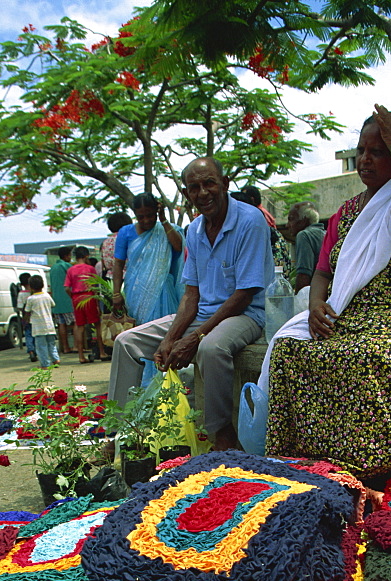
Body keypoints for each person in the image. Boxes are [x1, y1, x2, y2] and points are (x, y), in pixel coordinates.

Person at [265, 105, 391, 478]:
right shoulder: (347, 211)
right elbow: (323, 271)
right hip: (356, 316)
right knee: (289, 349)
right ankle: (303, 458)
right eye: (361, 150)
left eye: (378, 150)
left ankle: (363, 466)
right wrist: (317, 303)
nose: (365, 159)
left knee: (363, 355)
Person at [109, 156, 274, 450]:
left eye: (209, 183)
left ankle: (220, 435)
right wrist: (171, 337)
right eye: (194, 187)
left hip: (246, 314)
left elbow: (244, 294)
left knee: (211, 348)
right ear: (186, 195)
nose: (203, 192)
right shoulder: (195, 230)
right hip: (205, 315)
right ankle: (117, 435)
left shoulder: (250, 221)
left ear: (224, 184)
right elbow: (191, 294)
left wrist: (195, 338)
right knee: (126, 342)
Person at [111, 193, 184, 326]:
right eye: (141, 217)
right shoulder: (125, 232)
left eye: (150, 215)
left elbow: (179, 246)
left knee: (167, 330)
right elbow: (118, 264)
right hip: (136, 291)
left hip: (163, 290)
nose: (146, 220)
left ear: (157, 211)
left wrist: (163, 220)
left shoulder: (165, 229)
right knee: (140, 330)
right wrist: (116, 293)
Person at [64, 245, 106, 364]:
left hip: (76, 298)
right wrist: (97, 303)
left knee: (79, 326)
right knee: (97, 324)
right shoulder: (90, 268)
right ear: (86, 256)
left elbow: (66, 287)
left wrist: (73, 296)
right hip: (89, 296)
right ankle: (102, 352)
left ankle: (81, 355)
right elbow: (95, 287)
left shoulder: (70, 270)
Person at [286, 202, 325, 292]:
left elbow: (304, 275)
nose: (287, 225)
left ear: (303, 221)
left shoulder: (304, 235)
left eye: (291, 219)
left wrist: (298, 299)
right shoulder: (325, 234)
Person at [23, 274, 59, 368]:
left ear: (30, 287)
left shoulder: (31, 299)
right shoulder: (46, 296)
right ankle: (55, 359)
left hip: (38, 327)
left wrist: (25, 321)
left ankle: (45, 364)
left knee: (41, 346)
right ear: (43, 285)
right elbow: (53, 305)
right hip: (49, 325)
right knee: (51, 343)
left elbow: (27, 312)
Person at [49, 247, 74, 354]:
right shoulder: (67, 266)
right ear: (66, 256)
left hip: (56, 302)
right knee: (75, 324)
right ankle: (77, 346)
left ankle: (65, 347)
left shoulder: (53, 268)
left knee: (61, 325)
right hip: (68, 300)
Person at [99, 212, 132, 281]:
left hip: (110, 278)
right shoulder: (130, 239)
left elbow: (103, 263)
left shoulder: (105, 242)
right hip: (129, 277)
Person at [16, 273, 36, 362]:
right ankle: (36, 351)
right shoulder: (35, 292)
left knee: (28, 334)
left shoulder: (21, 294)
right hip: (36, 317)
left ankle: (31, 351)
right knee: (36, 335)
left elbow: (19, 307)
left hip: (26, 318)